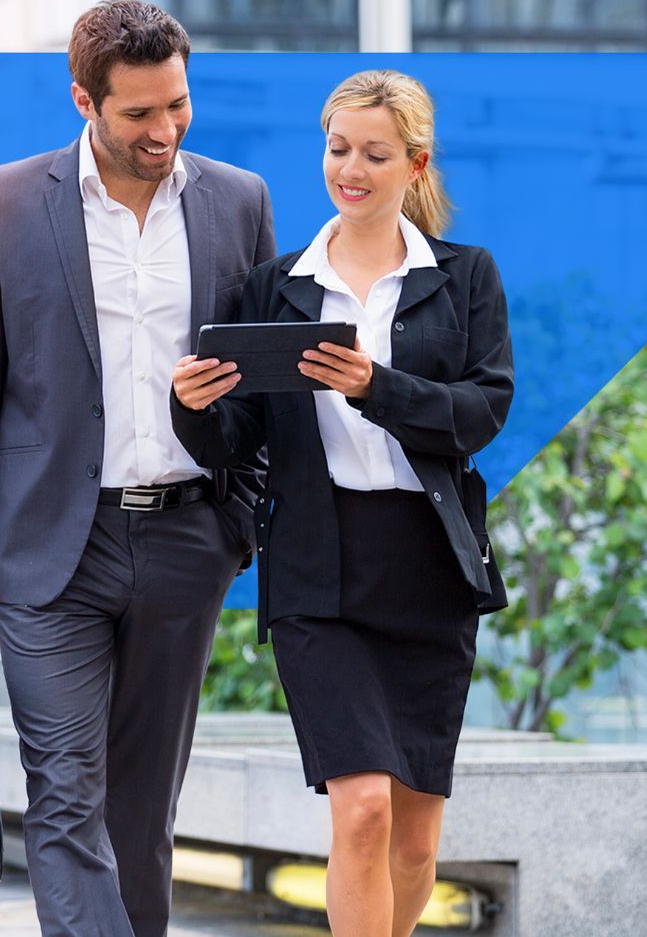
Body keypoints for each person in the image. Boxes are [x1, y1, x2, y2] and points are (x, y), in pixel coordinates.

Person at [0, 0, 275, 937]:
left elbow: (266, 384)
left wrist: (239, 523)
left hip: (188, 537)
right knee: (66, 796)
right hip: (49, 547)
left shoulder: (239, 201)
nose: (164, 132)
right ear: (84, 100)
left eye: (177, 107)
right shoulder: (2, 201)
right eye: (139, 115)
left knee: (140, 812)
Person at [170, 69, 512, 935]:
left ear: (415, 163)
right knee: (361, 809)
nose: (349, 168)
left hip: (431, 569)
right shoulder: (277, 287)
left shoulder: (464, 278)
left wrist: (376, 386)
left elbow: (482, 412)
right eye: (336, 148)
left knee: (414, 838)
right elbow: (237, 442)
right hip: (319, 574)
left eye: (373, 153)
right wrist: (194, 406)